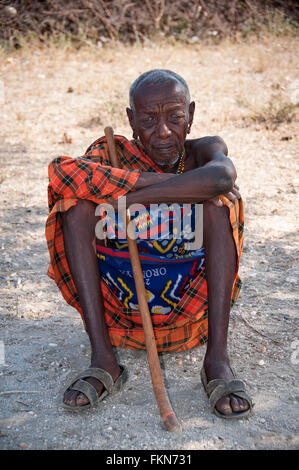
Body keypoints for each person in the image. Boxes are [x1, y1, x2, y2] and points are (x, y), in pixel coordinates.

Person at [46, 69, 253, 419]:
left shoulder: (203, 151)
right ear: (131, 120)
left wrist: (124, 199)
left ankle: (217, 361)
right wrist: (160, 183)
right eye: (148, 120)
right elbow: (62, 173)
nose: (163, 132)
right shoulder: (113, 153)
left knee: (219, 205)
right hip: (123, 317)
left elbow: (221, 177)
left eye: (175, 117)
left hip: (190, 317)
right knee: (75, 206)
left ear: (191, 114)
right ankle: (104, 360)